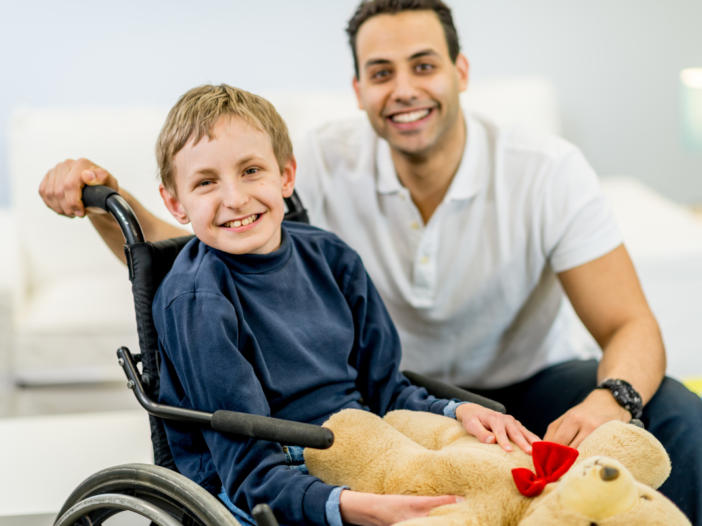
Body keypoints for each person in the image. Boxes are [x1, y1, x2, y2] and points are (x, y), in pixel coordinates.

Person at [38, 0, 702, 522]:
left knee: (671, 419)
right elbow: (199, 236)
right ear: (358, 89)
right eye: (382, 73)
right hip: (378, 406)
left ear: (460, 71)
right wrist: (108, 198)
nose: (405, 88)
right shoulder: (318, 164)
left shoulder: (544, 169)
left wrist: (611, 399)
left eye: (424, 65)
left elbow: (631, 325)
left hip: (497, 386)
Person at [149, 83, 538, 526]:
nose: (235, 199)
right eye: (206, 182)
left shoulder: (332, 258)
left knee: (508, 482)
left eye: (252, 170)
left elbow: (387, 390)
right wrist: (348, 504)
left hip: (373, 438)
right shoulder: (197, 300)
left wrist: (458, 412)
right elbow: (247, 468)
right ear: (175, 202)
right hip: (277, 472)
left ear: (287, 175)